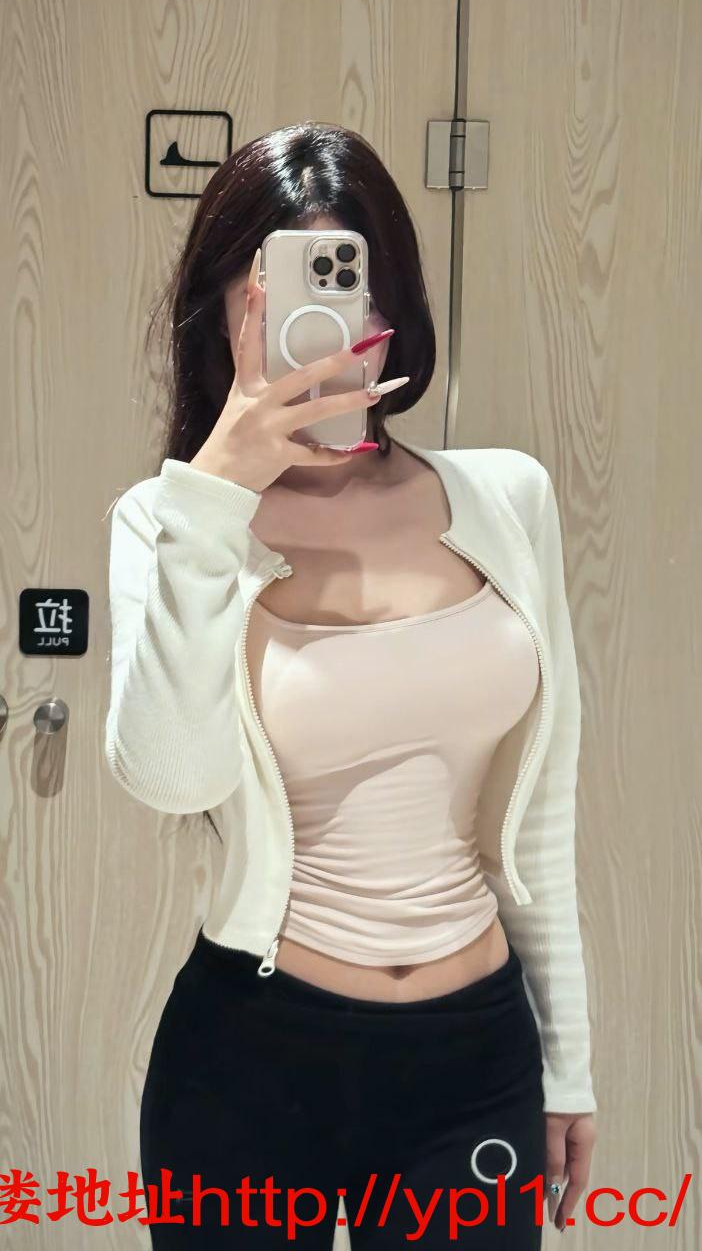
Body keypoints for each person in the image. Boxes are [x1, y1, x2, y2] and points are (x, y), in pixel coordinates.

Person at [105, 122, 597, 1247]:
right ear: (227, 315)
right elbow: (173, 779)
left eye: (349, 284)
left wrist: (569, 1061)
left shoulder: (506, 500)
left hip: (473, 1061)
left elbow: (545, 810)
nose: (326, 332)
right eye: (282, 294)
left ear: (394, 305)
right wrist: (215, 496)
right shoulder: (170, 523)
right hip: (249, 1058)